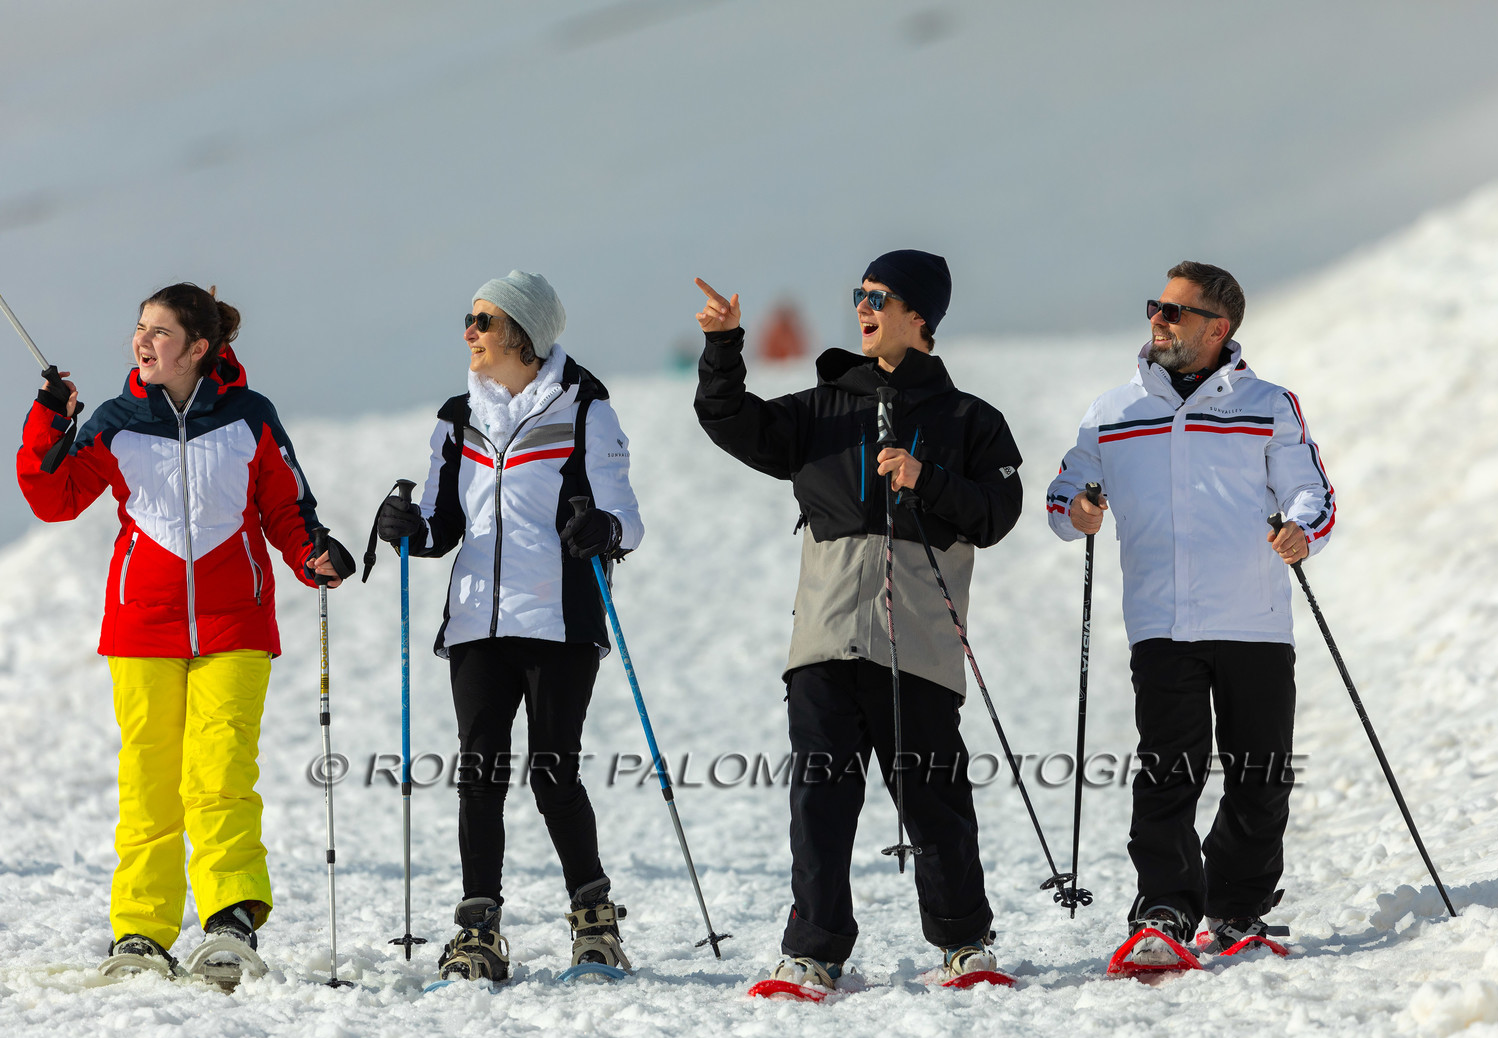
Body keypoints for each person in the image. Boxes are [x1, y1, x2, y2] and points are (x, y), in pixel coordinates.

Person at [693, 250, 1025, 989]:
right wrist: (723, 346)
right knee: (820, 800)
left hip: (922, 644)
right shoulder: (820, 409)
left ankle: (965, 942)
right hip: (826, 637)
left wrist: (925, 476)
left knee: (935, 798)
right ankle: (812, 949)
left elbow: (997, 514)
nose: (863, 306)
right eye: (860, 293)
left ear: (920, 318)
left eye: (880, 296)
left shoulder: (972, 421)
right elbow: (728, 420)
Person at [16, 283, 354, 982]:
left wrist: (312, 551)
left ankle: (230, 919)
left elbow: (286, 508)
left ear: (199, 350)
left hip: (235, 626)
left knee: (221, 776)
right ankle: (140, 931)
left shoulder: (249, 417)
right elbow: (54, 496)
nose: (142, 342)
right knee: (148, 784)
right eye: (139, 328)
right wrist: (52, 419)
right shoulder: (113, 421)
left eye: (159, 332)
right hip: (142, 630)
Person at [1045, 261, 1336, 965]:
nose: (1159, 320)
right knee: (1168, 770)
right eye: (1157, 306)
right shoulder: (1112, 413)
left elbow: (1312, 493)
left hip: (1254, 617)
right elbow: (1063, 492)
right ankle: (1166, 909)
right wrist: (1078, 507)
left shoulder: (1269, 404)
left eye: (1175, 311)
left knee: (1260, 775)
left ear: (1218, 328)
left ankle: (1238, 908)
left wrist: (1302, 530)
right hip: (1161, 623)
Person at [373, 270, 643, 982]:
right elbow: (440, 523)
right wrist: (405, 527)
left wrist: (601, 526)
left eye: (483, 321)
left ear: (523, 333)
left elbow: (627, 520)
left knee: (553, 772)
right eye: (469, 319)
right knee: (478, 775)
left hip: (559, 619)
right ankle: (478, 931)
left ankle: (594, 924)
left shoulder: (586, 409)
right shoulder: (457, 415)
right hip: (475, 623)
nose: (470, 331)